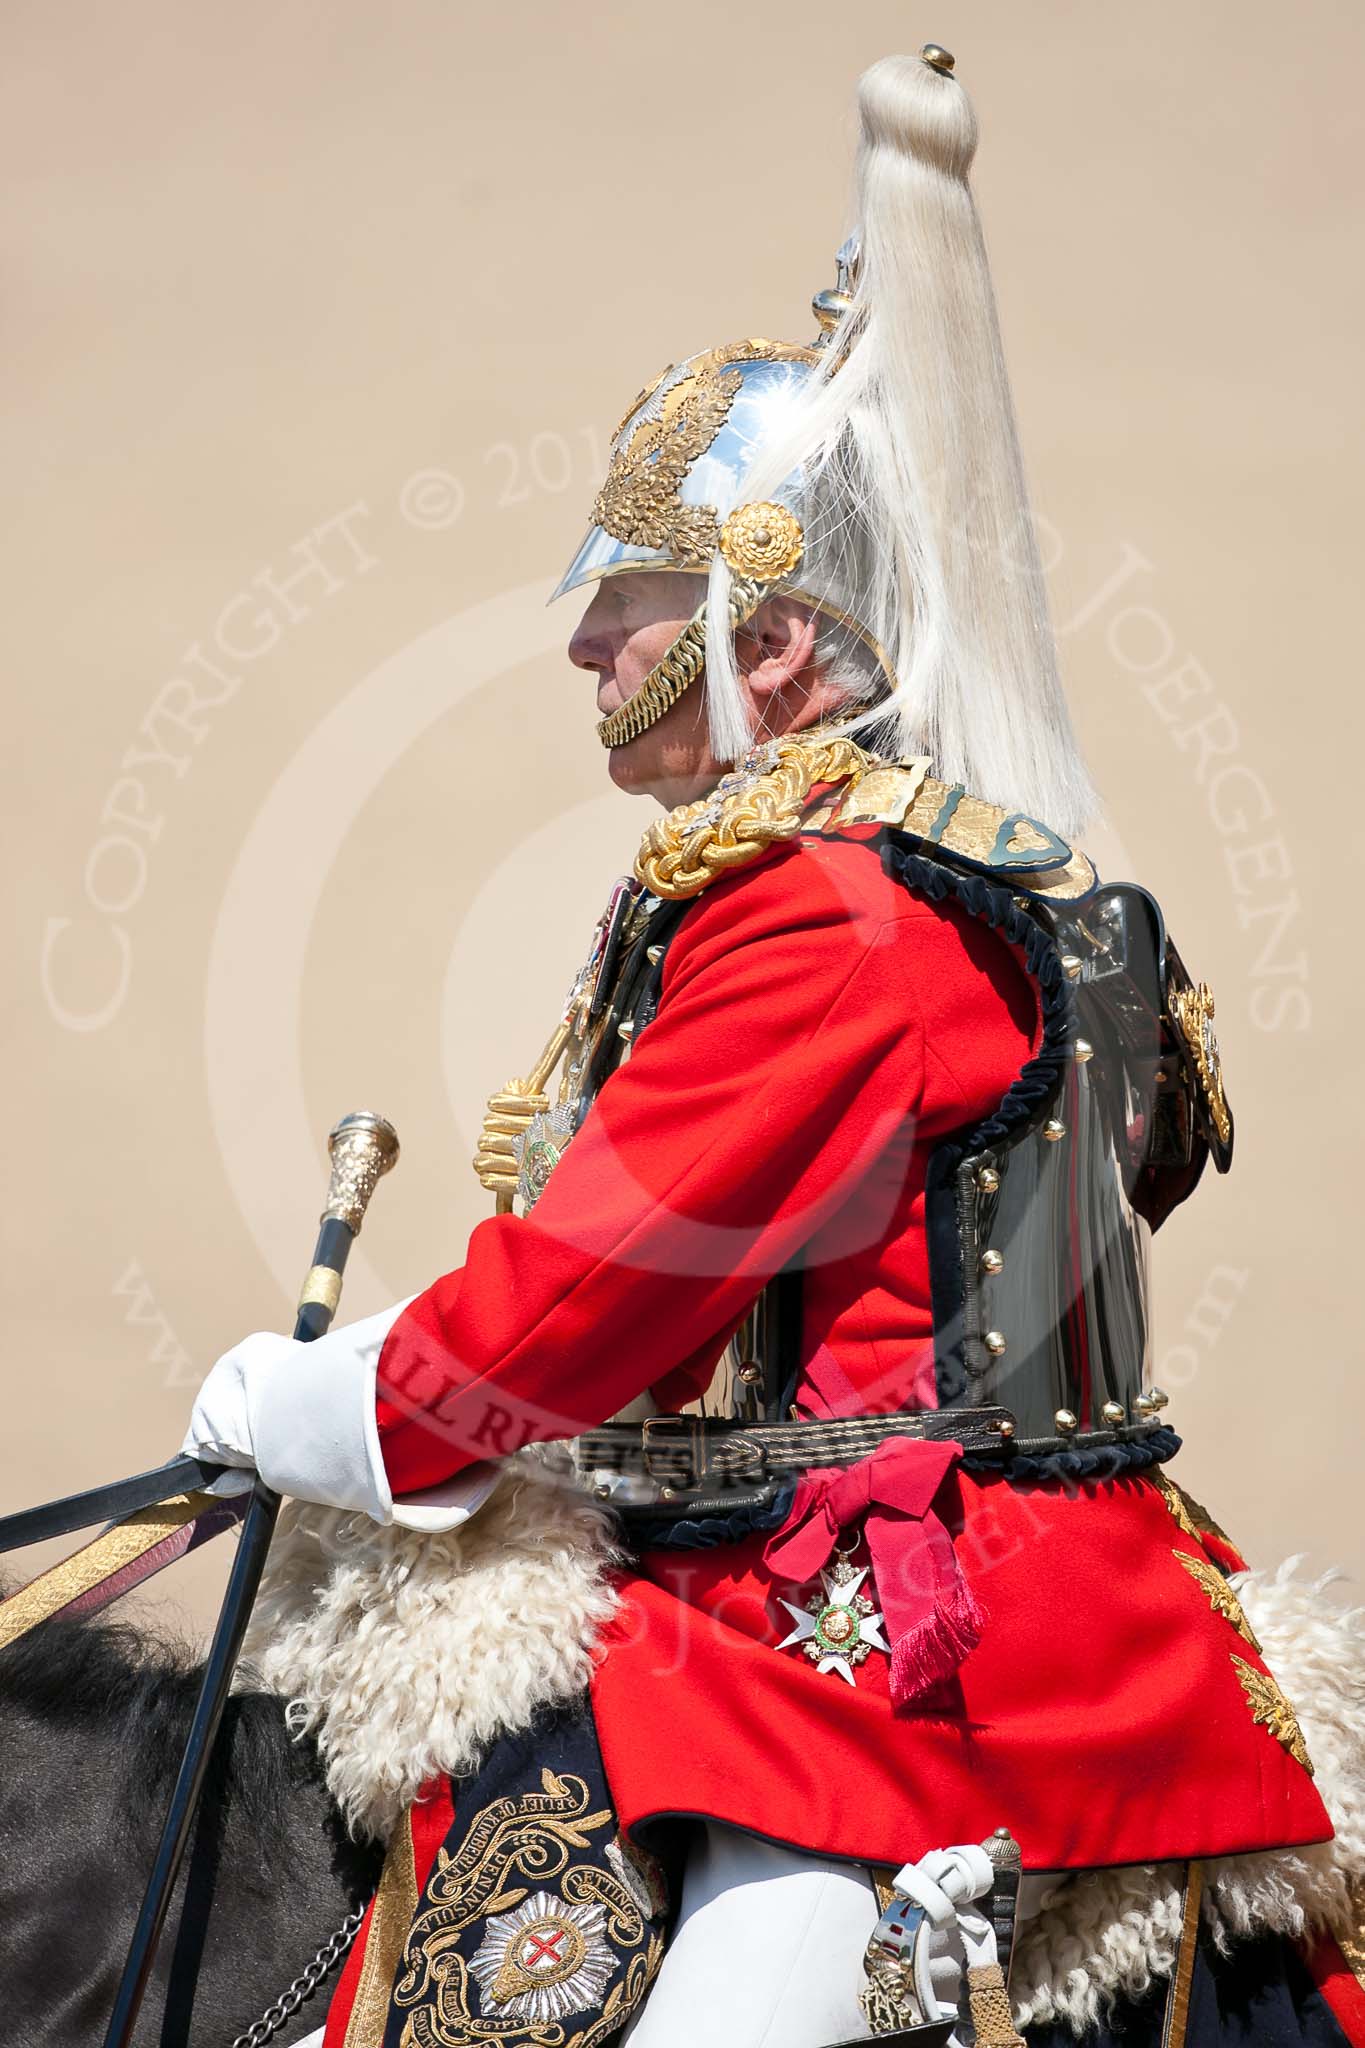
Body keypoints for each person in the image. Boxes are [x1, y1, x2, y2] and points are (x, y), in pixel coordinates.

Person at [185, 45, 1365, 2048]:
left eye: (627, 606)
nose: (581, 647)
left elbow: (594, 1292)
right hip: (858, 1565)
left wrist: (336, 1405)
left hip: (901, 1638)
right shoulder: (896, 869)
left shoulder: (826, 914)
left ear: (777, 640)